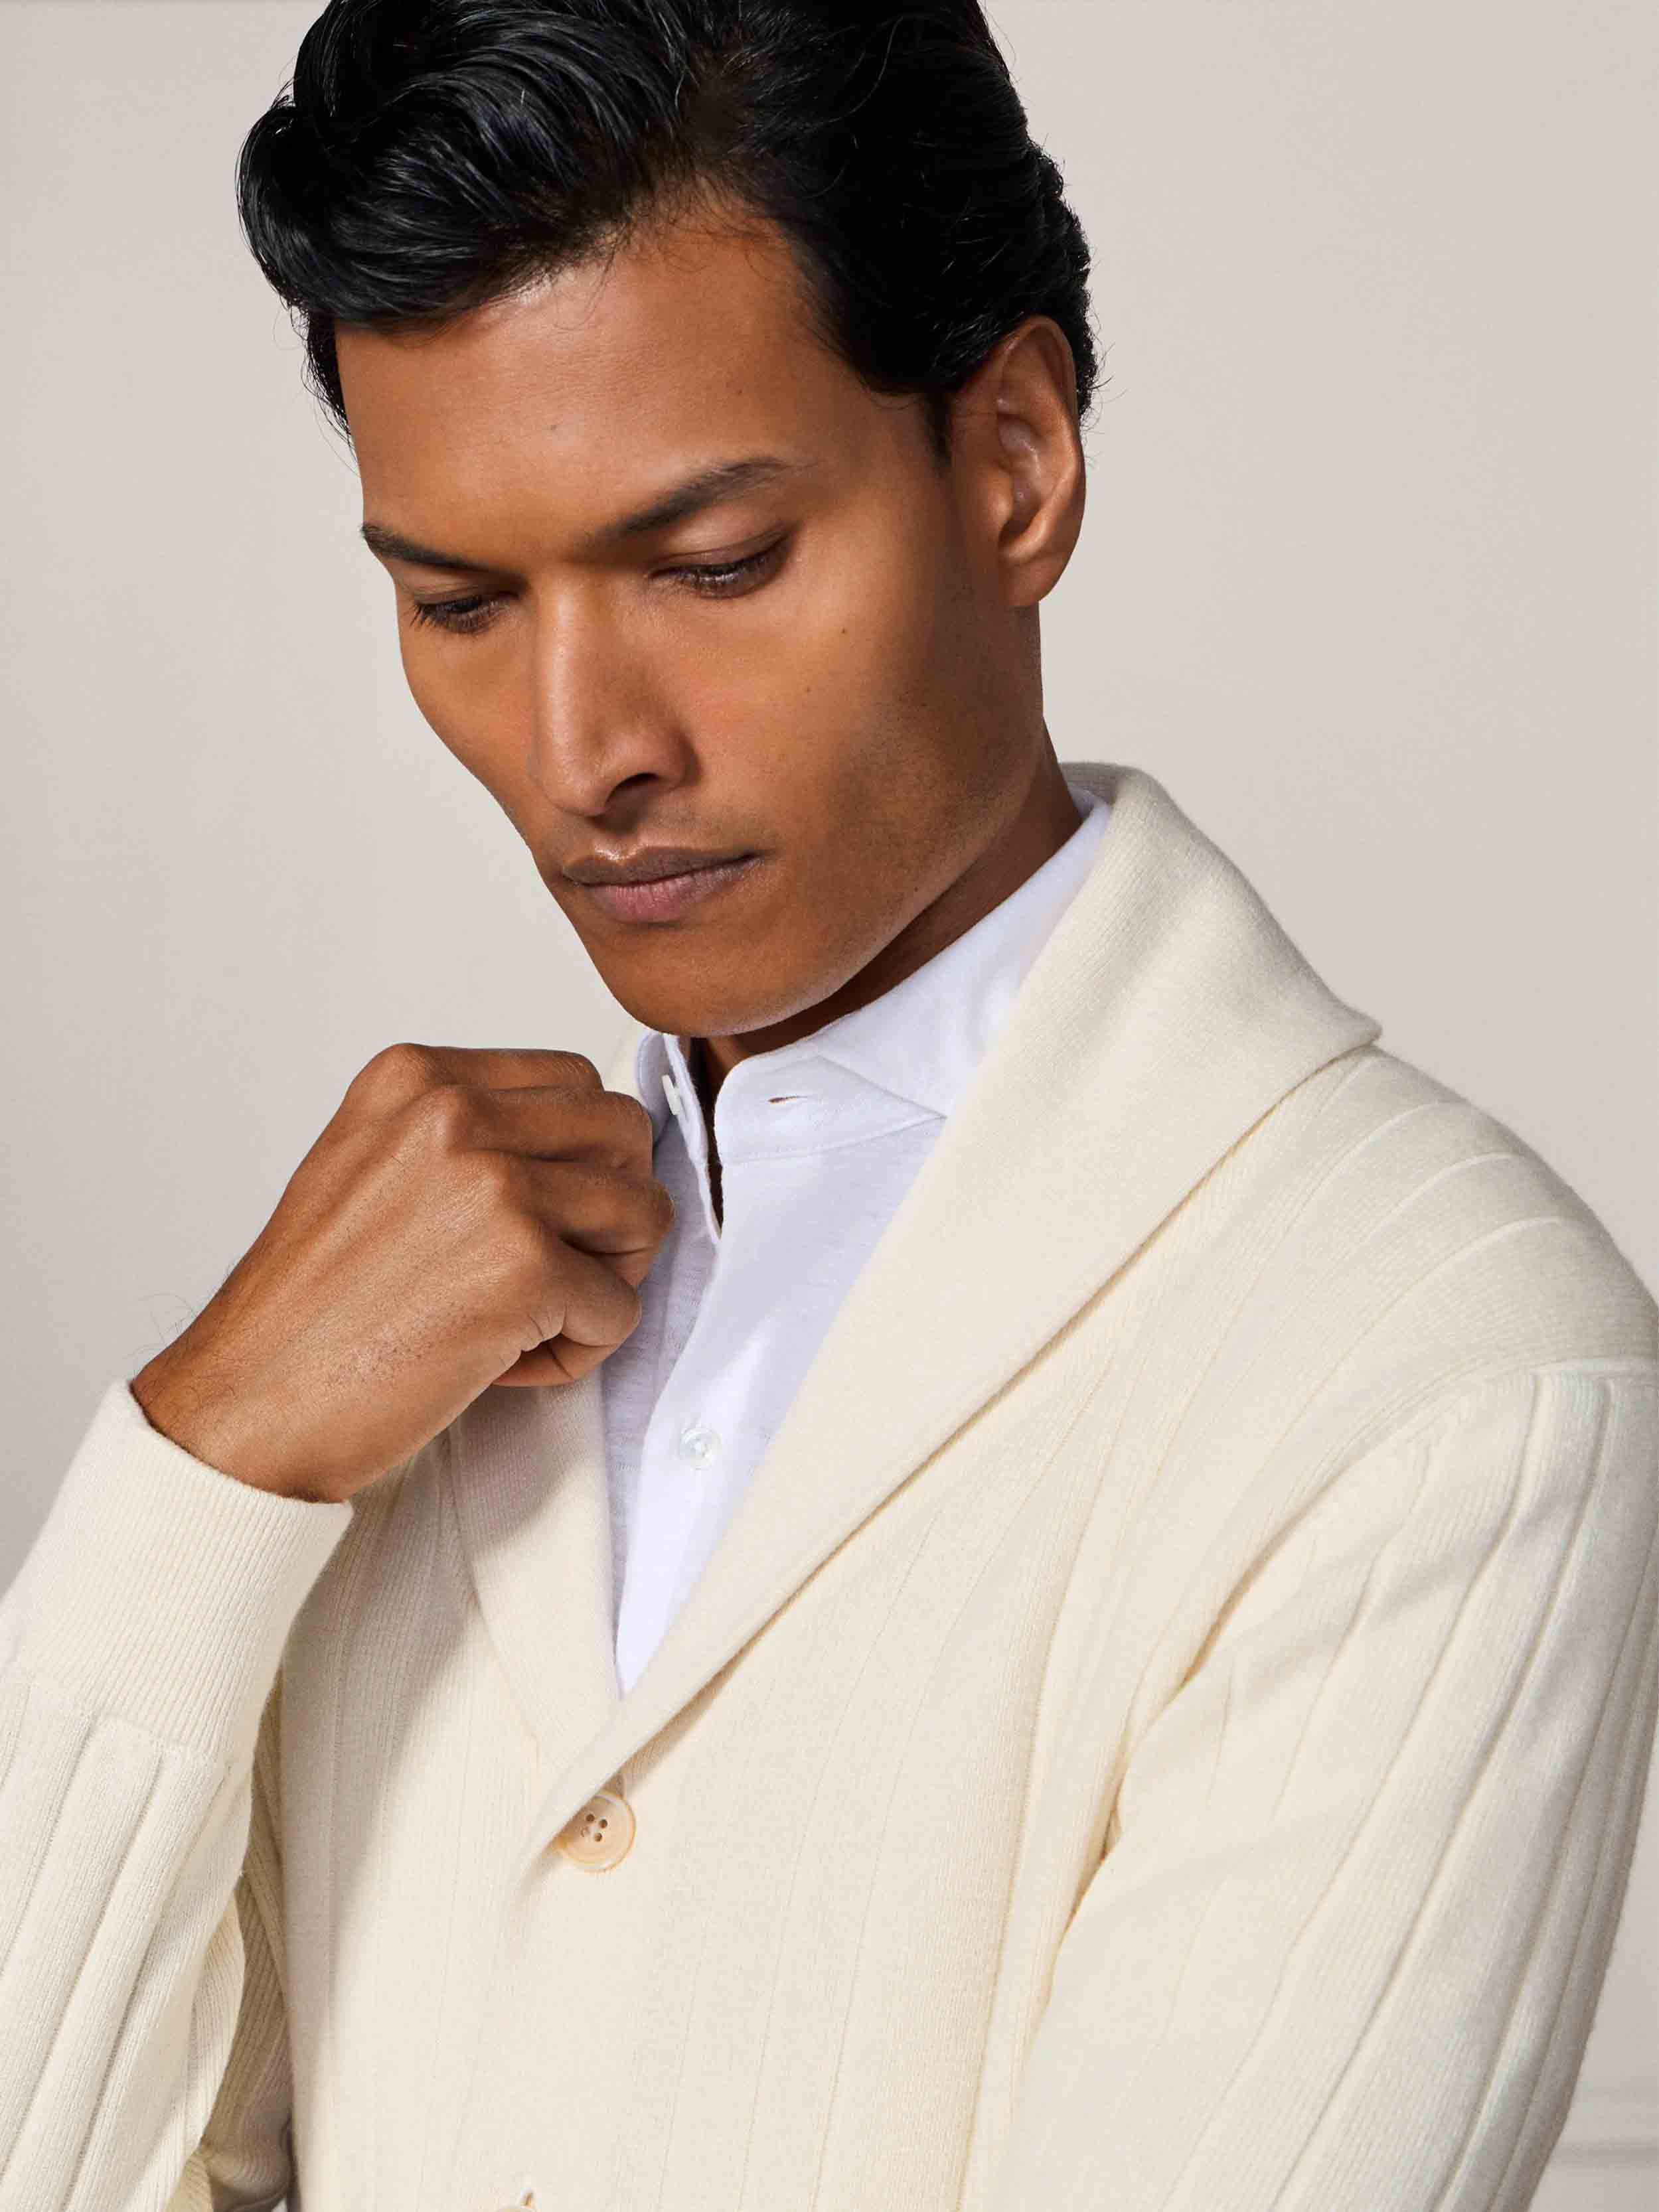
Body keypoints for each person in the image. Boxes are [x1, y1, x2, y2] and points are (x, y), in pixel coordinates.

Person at [1, 2, 1654, 2207]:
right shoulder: (388, 1338)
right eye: (460, 602)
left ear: (1013, 464)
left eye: (711, 565)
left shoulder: (1429, 1364)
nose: (582, 749)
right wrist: (209, 1462)